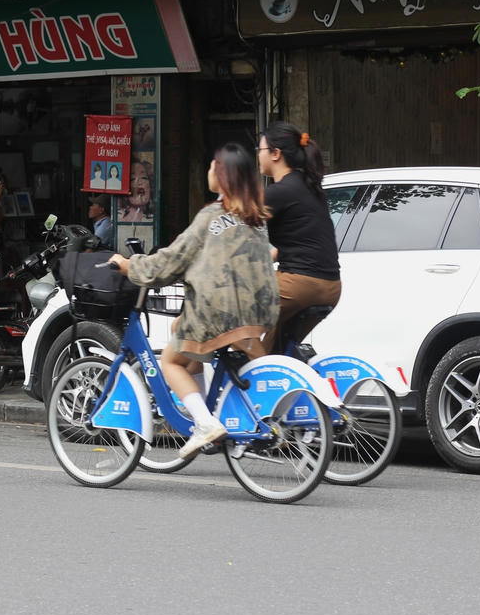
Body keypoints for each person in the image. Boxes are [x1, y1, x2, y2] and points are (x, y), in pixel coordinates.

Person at [108, 142, 278, 460]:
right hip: (259, 311)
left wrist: (131, 266)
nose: (209, 170)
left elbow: (173, 260)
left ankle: (203, 423)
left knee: (171, 362)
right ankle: (200, 406)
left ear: (224, 176)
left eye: (214, 165)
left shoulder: (211, 217)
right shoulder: (257, 218)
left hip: (218, 314)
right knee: (179, 328)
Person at [257, 124, 342, 354]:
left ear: (276, 154)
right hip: (331, 287)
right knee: (271, 351)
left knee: (226, 314)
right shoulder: (309, 186)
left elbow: (236, 228)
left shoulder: (278, 192)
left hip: (300, 285)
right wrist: (272, 254)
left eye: (260, 149)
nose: (258, 154)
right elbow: (303, 239)